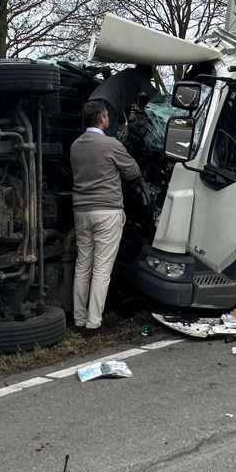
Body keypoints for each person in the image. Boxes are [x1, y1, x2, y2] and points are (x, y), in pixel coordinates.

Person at [70, 99, 142, 331]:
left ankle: (79, 320)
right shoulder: (111, 144)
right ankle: (93, 322)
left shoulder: (76, 146)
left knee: (83, 265)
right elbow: (133, 172)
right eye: (107, 116)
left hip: (81, 211)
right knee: (101, 268)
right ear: (102, 118)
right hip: (107, 212)